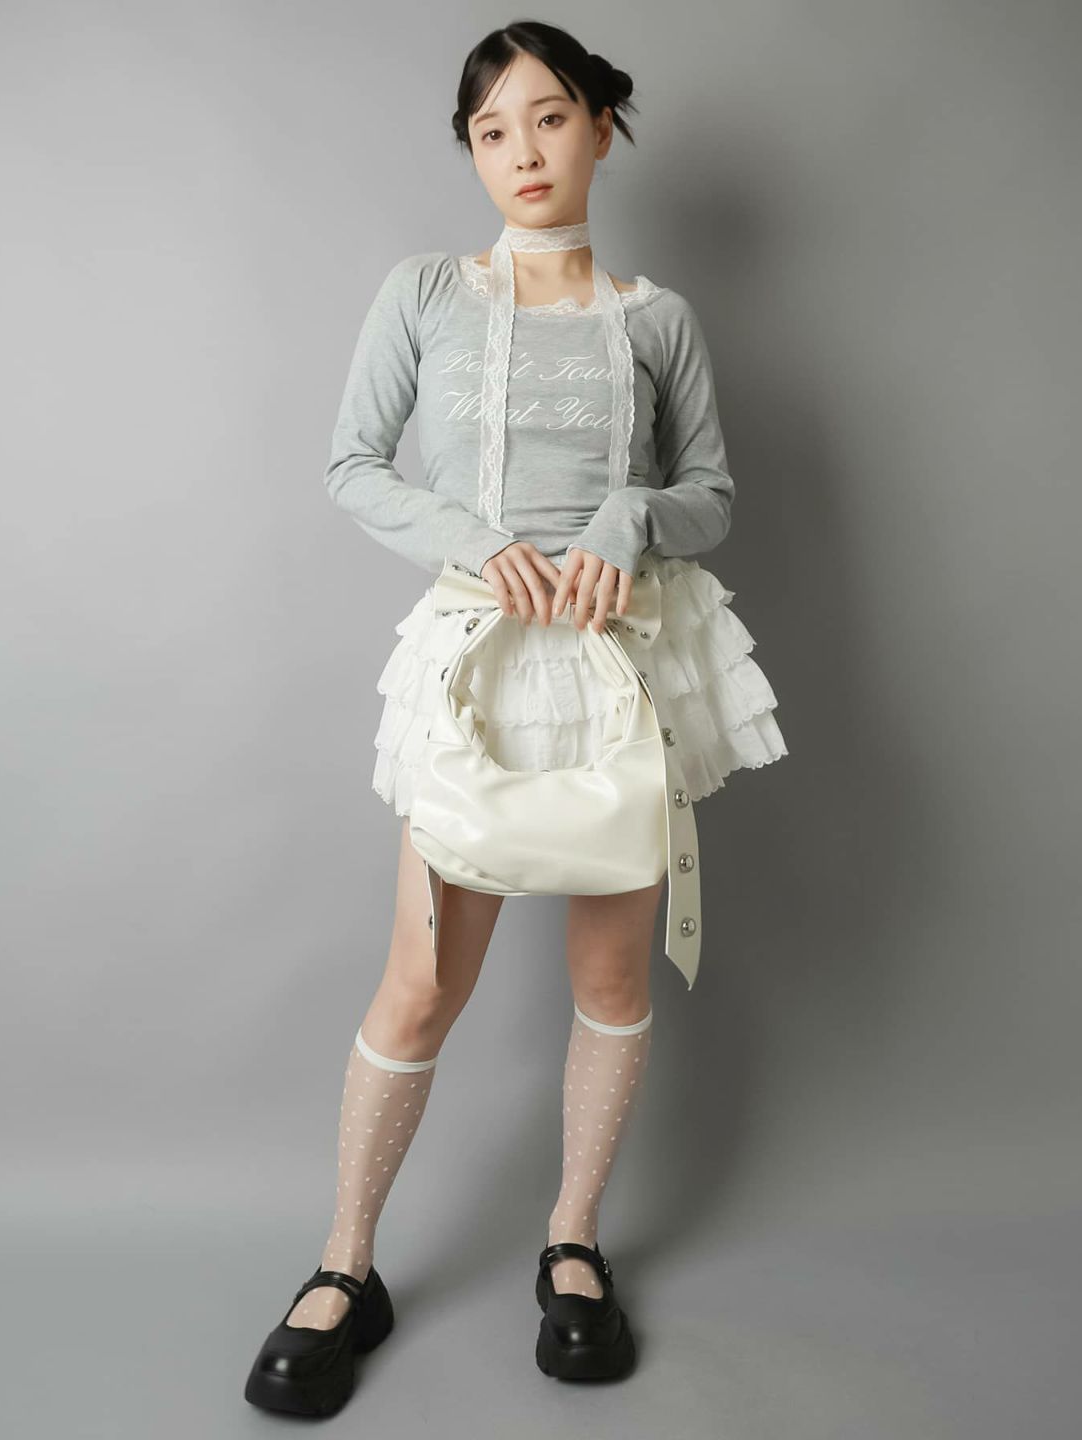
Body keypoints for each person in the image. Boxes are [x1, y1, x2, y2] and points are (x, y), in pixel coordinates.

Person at [244, 19, 787, 1417]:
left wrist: (631, 513)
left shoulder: (658, 319)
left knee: (611, 982)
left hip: (617, 666)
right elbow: (352, 464)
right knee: (423, 983)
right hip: (478, 666)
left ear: (603, 126)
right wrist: (477, 541)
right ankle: (346, 1264)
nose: (523, 152)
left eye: (548, 118)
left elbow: (713, 495)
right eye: (491, 130)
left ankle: (573, 1241)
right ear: (473, 154)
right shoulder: (427, 292)